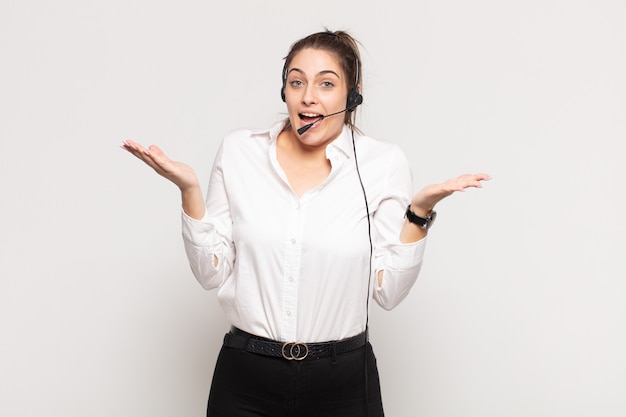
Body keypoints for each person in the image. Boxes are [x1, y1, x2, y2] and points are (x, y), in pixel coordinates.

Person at [122, 29, 490, 417]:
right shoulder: (239, 151)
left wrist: (418, 214)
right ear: (284, 91)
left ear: (352, 94)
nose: (308, 96)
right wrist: (190, 192)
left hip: (344, 383)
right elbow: (211, 274)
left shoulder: (382, 164)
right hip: (246, 379)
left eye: (326, 84)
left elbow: (389, 293)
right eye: (296, 82)